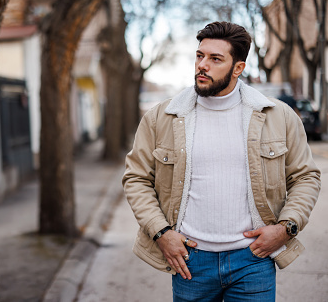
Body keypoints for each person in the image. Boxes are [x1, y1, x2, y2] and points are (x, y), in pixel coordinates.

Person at [122, 21, 321, 301]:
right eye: (200, 55)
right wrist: (161, 232)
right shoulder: (161, 118)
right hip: (190, 261)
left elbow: (305, 177)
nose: (203, 65)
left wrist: (286, 227)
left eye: (216, 59)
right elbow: (136, 178)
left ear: (238, 68)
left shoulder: (279, 117)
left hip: (253, 259)